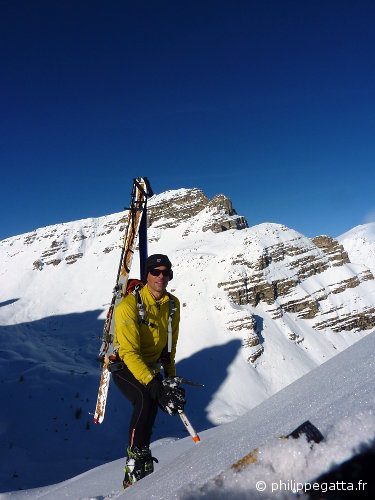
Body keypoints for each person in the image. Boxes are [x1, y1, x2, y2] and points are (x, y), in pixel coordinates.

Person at [112, 254, 185, 488]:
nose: (161, 277)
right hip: (124, 364)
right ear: (147, 276)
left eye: (166, 272)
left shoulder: (172, 305)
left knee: (153, 399)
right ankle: (134, 462)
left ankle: (143, 456)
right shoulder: (128, 306)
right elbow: (130, 353)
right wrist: (154, 384)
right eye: (155, 272)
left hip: (151, 365)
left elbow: (169, 348)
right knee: (145, 397)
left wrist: (170, 380)